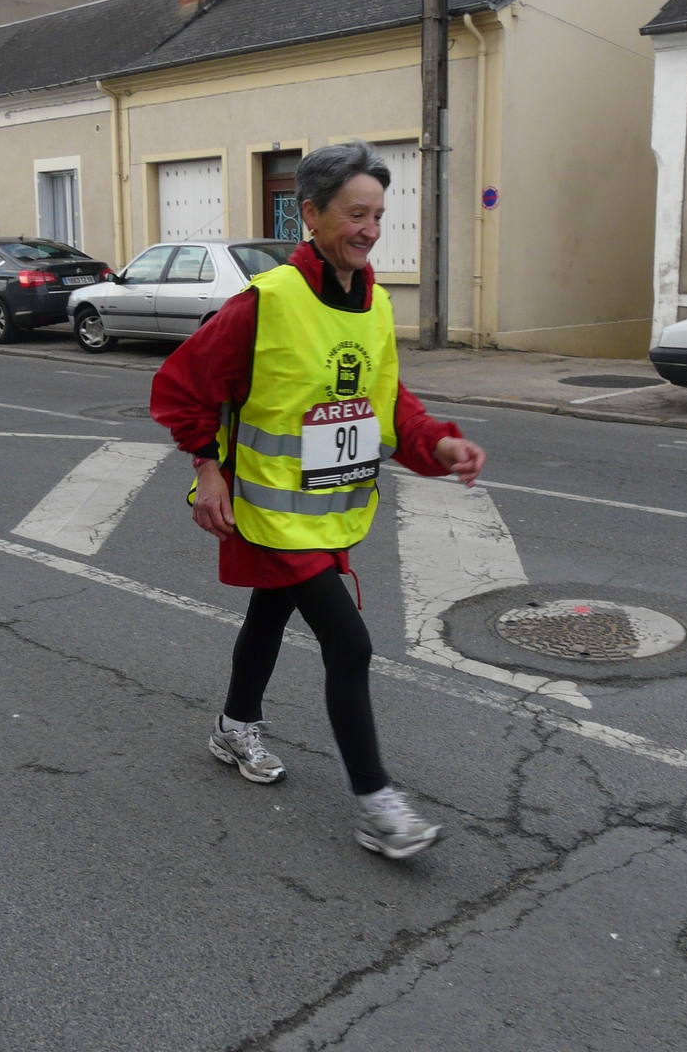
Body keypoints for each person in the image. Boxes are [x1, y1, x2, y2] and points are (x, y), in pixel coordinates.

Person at [150, 140, 486, 859]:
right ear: (311, 213)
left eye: (378, 216)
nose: (369, 229)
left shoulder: (374, 305)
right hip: (268, 517)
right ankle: (376, 805)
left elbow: (390, 404)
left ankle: (234, 725)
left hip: (329, 515)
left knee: (269, 616)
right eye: (354, 214)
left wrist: (441, 445)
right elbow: (181, 387)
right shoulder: (264, 303)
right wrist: (206, 469)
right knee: (350, 645)